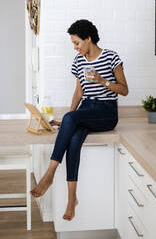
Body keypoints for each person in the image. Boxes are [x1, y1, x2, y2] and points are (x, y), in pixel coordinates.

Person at [30, 19, 128, 221]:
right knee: (74, 141)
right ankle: (71, 199)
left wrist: (102, 81)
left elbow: (124, 90)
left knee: (70, 122)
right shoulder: (79, 61)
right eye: (73, 44)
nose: (75, 48)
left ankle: (50, 173)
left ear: (88, 38)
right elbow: (78, 91)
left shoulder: (111, 57)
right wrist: (69, 119)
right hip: (86, 110)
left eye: (77, 43)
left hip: (106, 112)